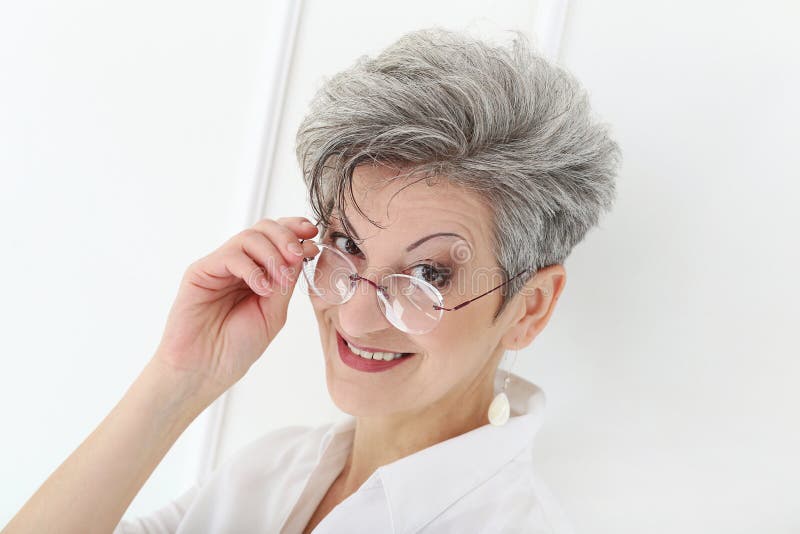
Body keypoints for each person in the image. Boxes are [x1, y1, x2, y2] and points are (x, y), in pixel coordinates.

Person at [2, 27, 620, 533]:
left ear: (531, 307)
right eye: (347, 245)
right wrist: (180, 378)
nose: (354, 318)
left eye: (429, 274)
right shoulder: (271, 470)